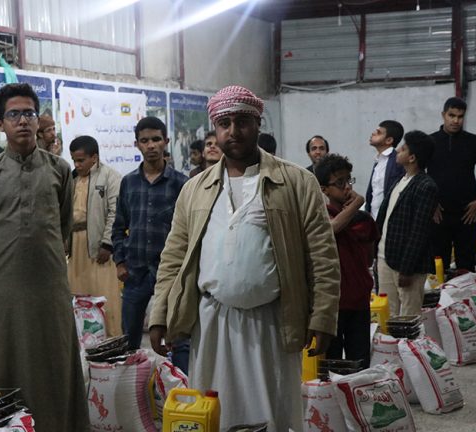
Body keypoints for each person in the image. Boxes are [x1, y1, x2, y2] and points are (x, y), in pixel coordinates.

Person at [148, 85, 340, 430]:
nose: (233, 131)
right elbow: (174, 257)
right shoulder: (195, 188)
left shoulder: (296, 182)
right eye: (224, 123)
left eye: (242, 121)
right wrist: (160, 312)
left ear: (258, 124)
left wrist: (323, 316)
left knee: (275, 413)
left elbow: (322, 256)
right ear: (215, 130)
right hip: (211, 323)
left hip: (273, 322)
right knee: (214, 410)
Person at [0, 83, 89, 431]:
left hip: (50, 282)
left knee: (54, 355)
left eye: (29, 113)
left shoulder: (59, 169)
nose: (22, 121)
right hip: (5, 285)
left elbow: (64, 224)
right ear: (0, 124)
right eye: (13, 114)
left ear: (38, 121)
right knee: (5, 355)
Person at [112, 116, 189, 370]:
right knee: (130, 337)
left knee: (177, 335)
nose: (151, 145)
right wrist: (120, 261)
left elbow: (189, 231)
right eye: (145, 141)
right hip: (135, 272)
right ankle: (131, 382)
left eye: (156, 139)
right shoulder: (129, 183)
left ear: (166, 141)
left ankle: (181, 385)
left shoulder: (182, 183)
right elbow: (119, 225)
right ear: (137, 144)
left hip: (170, 273)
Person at [316, 154, 378, 368]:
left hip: (359, 301)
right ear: (324, 189)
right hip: (332, 305)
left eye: (348, 180)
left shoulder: (364, 220)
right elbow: (330, 230)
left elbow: (369, 257)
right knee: (331, 365)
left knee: (359, 363)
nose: (346, 187)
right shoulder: (320, 216)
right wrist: (358, 202)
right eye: (339, 183)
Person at [377, 131, 439, 317]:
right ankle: (389, 347)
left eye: (402, 148)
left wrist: (407, 269)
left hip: (407, 265)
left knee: (408, 317)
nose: (397, 150)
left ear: (412, 158)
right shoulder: (399, 181)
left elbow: (419, 232)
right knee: (387, 314)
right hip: (385, 256)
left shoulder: (426, 186)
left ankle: (408, 347)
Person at [429, 97, 476, 272]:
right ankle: (440, 298)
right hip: (438, 213)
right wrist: (431, 203)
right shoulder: (430, 143)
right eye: (452, 115)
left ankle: (464, 297)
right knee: (437, 263)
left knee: (465, 263)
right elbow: (417, 175)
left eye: (460, 116)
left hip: (468, 213)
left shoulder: (474, 142)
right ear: (443, 115)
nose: (456, 120)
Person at [67, 135, 123, 336]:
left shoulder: (110, 177)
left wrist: (107, 244)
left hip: (99, 248)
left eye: (81, 160)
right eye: (74, 160)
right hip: (75, 245)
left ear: (94, 157)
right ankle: (83, 341)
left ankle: (110, 338)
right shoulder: (71, 178)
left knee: (104, 296)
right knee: (79, 296)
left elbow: (115, 212)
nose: (77, 164)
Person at [365, 120, 405, 220]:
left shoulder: (398, 161)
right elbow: (373, 192)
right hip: (374, 218)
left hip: (390, 219)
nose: (373, 133)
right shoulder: (378, 160)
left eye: (378, 132)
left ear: (389, 140)